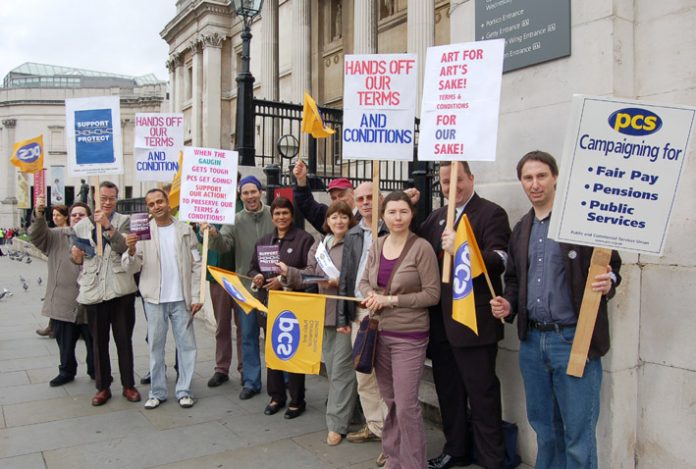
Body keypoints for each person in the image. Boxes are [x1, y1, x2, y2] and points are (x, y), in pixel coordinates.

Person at [490, 151, 621, 469]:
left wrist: (610, 280)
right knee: (546, 432)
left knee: (578, 436)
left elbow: (611, 264)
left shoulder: (582, 221)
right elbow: (514, 280)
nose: (535, 184)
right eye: (528, 178)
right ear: (521, 181)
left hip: (573, 341)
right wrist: (509, 303)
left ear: (556, 177)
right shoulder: (522, 228)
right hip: (532, 343)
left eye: (541, 176)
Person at [419, 161, 511, 469]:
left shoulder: (491, 213)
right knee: (449, 392)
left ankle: (491, 459)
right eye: (446, 182)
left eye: (458, 180)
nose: (452, 187)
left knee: (482, 393)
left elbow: (500, 260)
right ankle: (456, 449)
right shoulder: (434, 218)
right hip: (441, 324)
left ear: (471, 178)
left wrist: (463, 248)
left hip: (475, 323)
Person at [359, 191, 441, 469]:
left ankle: (415, 463)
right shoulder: (377, 244)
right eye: (392, 212)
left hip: (410, 336)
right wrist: (370, 294)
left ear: (411, 214)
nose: (397, 217)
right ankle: (394, 458)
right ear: (382, 216)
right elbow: (363, 282)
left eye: (403, 212)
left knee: (406, 404)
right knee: (391, 401)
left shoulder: (422, 248)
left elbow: (432, 294)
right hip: (379, 333)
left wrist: (390, 300)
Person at [278, 201, 358, 444]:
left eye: (344, 216)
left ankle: (336, 423)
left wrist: (339, 282)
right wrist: (288, 272)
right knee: (334, 370)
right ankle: (352, 413)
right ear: (328, 221)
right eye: (334, 217)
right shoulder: (320, 244)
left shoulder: (356, 243)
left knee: (342, 371)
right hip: (325, 313)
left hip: (347, 314)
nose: (339, 221)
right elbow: (311, 273)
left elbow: (360, 276)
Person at [124, 189, 202, 409]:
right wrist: (129, 251)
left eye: (159, 201)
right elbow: (132, 266)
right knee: (155, 347)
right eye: (151, 204)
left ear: (168, 203)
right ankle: (157, 392)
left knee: (187, 346)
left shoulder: (185, 230)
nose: (156, 206)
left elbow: (196, 265)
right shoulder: (142, 232)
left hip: (181, 299)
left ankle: (184, 390)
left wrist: (196, 295)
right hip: (154, 299)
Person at [71, 181, 141, 406]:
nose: (107, 202)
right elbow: (76, 257)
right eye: (103, 198)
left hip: (120, 290)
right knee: (98, 341)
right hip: (94, 290)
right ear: (94, 198)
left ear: (117, 199)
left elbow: (124, 248)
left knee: (124, 340)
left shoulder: (124, 221)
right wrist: (76, 255)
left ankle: (129, 384)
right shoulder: (81, 225)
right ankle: (103, 386)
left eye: (111, 198)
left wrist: (109, 227)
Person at [336, 181, 389, 466]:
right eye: (362, 198)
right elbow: (346, 275)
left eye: (371, 197)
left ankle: (391, 439)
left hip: (382, 313)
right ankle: (376, 426)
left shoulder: (391, 227)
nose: (367, 202)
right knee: (363, 376)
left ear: (381, 199)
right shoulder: (354, 233)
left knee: (385, 378)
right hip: (357, 312)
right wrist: (344, 316)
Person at [207, 175, 273, 400]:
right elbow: (223, 245)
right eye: (245, 193)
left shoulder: (274, 214)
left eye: (253, 191)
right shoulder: (233, 220)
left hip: (273, 287)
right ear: (240, 195)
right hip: (246, 289)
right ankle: (251, 381)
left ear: (261, 192)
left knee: (274, 336)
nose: (250, 196)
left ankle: (281, 380)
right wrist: (213, 234)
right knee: (248, 335)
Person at [249, 196, 314, 419]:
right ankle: (276, 396)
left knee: (293, 350)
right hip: (269, 304)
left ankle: (297, 400)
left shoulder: (304, 239)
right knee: (273, 352)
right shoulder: (264, 241)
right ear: (272, 216)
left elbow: (310, 271)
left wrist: (284, 280)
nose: (281, 217)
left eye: (285, 213)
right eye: (277, 213)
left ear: (292, 215)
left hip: (294, 305)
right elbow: (252, 268)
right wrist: (257, 276)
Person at [30, 200, 94, 386]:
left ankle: (95, 369)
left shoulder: (96, 236)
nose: (77, 218)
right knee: (65, 343)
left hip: (90, 300)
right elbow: (36, 235)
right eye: (74, 214)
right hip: (63, 301)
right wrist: (39, 214)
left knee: (93, 342)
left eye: (81, 215)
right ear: (69, 217)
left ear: (88, 218)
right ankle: (66, 371)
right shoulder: (57, 235)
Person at [199, 172, 244, 388]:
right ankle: (221, 367)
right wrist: (202, 229)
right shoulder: (208, 206)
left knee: (243, 326)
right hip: (217, 274)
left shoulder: (240, 205)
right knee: (222, 325)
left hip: (239, 274)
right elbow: (202, 239)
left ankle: (246, 367)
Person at [292, 158, 357, 233]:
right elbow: (307, 204)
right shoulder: (328, 216)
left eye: (341, 195)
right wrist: (301, 179)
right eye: (334, 198)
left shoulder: (364, 217)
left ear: (352, 193)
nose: (338, 200)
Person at [36, 204, 70, 338]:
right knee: (56, 299)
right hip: (57, 268)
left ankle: (53, 328)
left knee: (60, 299)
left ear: (65, 217)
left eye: (58, 215)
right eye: (54, 215)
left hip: (68, 270)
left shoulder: (68, 231)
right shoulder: (54, 231)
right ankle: (52, 327)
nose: (55, 218)